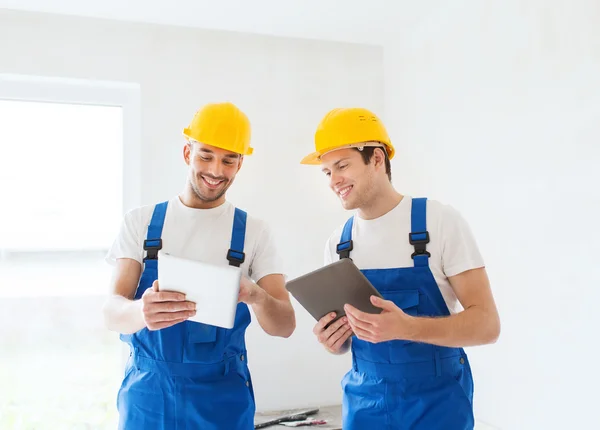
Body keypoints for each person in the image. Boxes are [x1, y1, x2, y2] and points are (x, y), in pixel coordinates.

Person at [301, 107, 500, 430]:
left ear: (377, 159)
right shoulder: (339, 244)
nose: (333, 181)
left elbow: (487, 325)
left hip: (437, 405)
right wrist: (332, 341)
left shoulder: (439, 222)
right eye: (326, 172)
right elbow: (347, 344)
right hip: (364, 406)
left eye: (341, 166)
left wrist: (406, 327)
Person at [103, 102, 296, 430]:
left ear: (240, 163)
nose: (216, 170)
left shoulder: (254, 232)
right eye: (206, 155)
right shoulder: (141, 223)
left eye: (229, 160)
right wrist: (141, 312)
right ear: (186, 153)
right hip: (149, 394)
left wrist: (256, 297)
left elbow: (285, 325)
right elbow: (111, 312)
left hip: (222, 397)